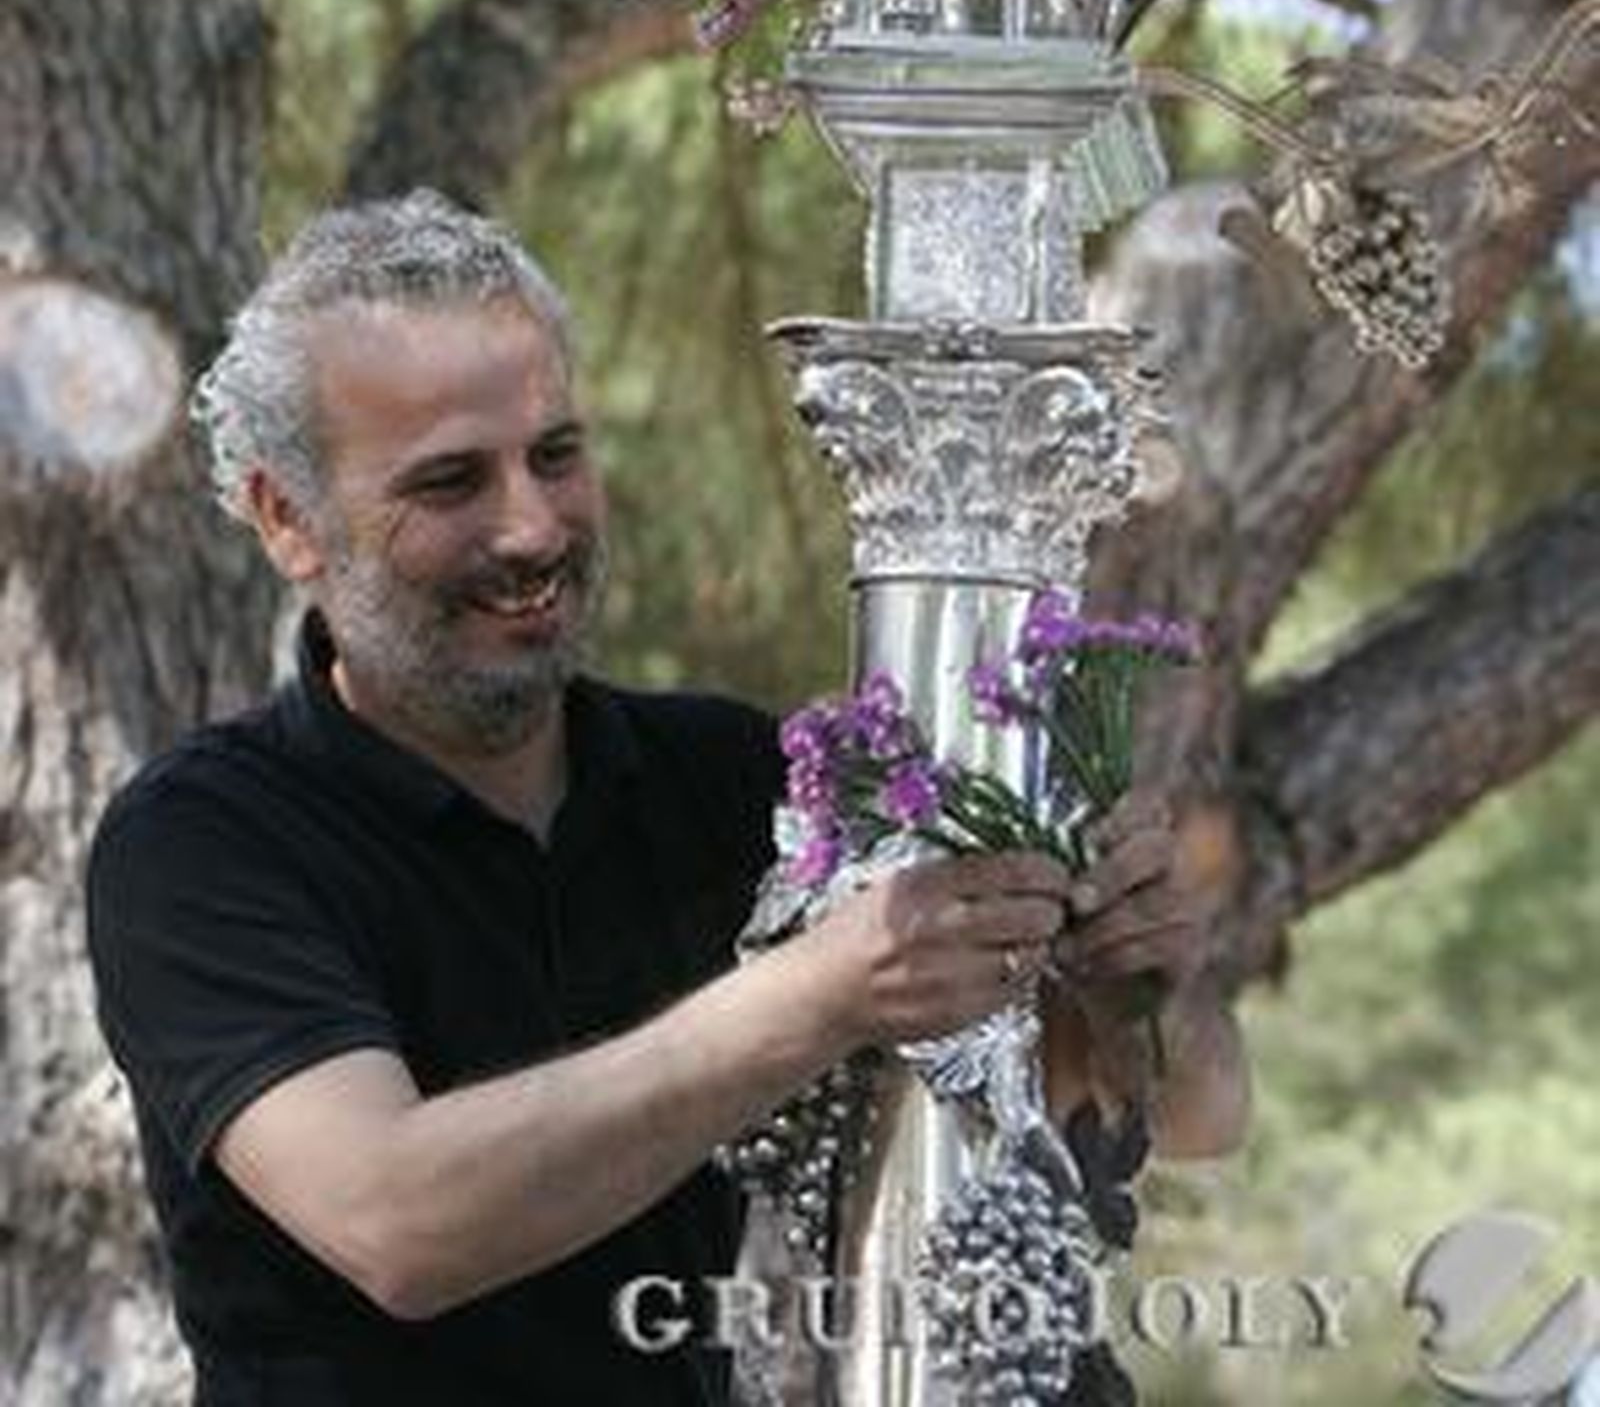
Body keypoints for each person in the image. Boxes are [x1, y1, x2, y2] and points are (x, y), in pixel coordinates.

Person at [86, 191, 1248, 1406]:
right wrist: (813, 993)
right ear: (287, 519)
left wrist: (1135, 989)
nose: (531, 527)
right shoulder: (198, 842)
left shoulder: (726, 778)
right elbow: (399, 1222)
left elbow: (1195, 1111)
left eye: (555, 454)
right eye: (448, 484)